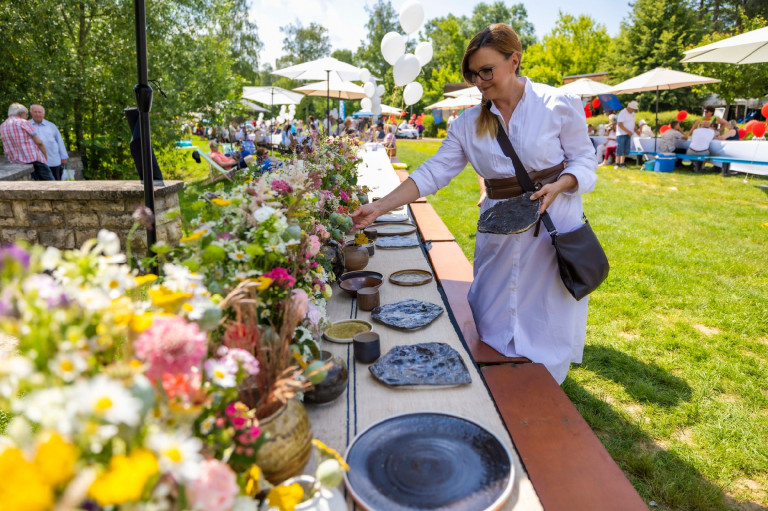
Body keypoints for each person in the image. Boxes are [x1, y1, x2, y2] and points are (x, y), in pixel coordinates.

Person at [350, 23, 597, 384]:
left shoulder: (558, 104)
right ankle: (500, 386)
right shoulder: (468, 123)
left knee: (545, 310)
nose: (479, 82)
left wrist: (562, 184)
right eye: (473, 74)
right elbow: (434, 172)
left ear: (514, 60)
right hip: (498, 230)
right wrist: (380, 206)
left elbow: (584, 160)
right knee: (494, 315)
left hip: (552, 224)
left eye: (486, 71)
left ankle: (546, 386)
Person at [0, 103, 54, 180]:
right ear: (21, 113)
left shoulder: (3, 125)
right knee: (51, 185)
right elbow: (39, 142)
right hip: (34, 160)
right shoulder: (23, 122)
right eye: (26, 114)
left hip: (16, 162)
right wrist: (44, 158)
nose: (26, 117)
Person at [29, 104, 68, 180]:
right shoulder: (26, 125)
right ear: (31, 113)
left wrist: (63, 157)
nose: (37, 114)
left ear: (44, 114)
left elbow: (59, 141)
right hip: (36, 162)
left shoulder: (51, 126)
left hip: (53, 160)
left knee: (56, 183)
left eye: (39, 112)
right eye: (35, 112)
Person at [614, 100, 639, 168]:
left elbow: (633, 123)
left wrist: (636, 131)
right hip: (621, 134)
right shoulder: (622, 113)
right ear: (629, 107)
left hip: (628, 134)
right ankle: (617, 163)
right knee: (620, 149)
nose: (634, 110)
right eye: (633, 109)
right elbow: (620, 124)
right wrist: (628, 131)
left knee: (625, 149)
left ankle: (622, 163)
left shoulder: (632, 114)